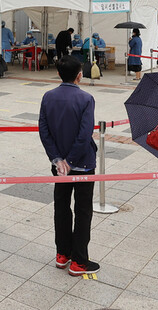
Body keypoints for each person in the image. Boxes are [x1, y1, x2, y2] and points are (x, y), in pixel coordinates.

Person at [39, 55, 100, 276]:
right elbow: (84, 135)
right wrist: (71, 161)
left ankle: (62, 254)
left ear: (58, 74)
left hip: (59, 167)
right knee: (83, 211)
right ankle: (79, 262)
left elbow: (44, 132)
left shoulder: (48, 97)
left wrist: (58, 160)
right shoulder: (86, 99)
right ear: (79, 75)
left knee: (61, 208)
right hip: (82, 164)